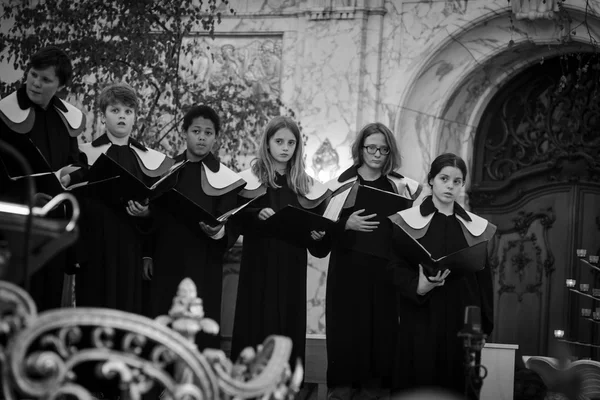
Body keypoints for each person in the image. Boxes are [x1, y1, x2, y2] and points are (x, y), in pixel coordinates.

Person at [320, 122, 422, 400]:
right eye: (371, 148)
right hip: (347, 275)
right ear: (360, 149)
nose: (377, 154)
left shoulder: (399, 188)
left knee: (380, 340)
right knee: (346, 339)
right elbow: (321, 235)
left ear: (390, 152)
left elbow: (406, 235)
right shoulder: (341, 184)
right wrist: (345, 223)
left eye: (383, 149)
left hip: (383, 276)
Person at [388, 153, 495, 397]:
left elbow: (484, 280)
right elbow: (394, 268)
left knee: (459, 386)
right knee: (420, 385)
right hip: (421, 319)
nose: (450, 185)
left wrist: (484, 328)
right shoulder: (407, 221)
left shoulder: (475, 227)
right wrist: (419, 285)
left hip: (463, 323)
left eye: (457, 181)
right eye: (444, 178)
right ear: (431, 180)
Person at [231, 116, 331, 371]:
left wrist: (318, 236)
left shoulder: (305, 187)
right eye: (279, 141)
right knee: (255, 324)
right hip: (258, 268)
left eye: (291, 142)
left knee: (287, 325)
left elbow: (316, 237)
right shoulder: (249, 181)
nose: (285, 148)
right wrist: (255, 215)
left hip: (291, 268)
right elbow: (234, 220)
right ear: (267, 143)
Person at [144, 105, 246, 351]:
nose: (202, 137)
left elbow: (232, 220)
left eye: (208, 133)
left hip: (204, 262)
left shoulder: (225, 178)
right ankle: (160, 383)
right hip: (166, 258)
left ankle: (197, 382)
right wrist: (146, 253)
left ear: (216, 138)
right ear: (184, 133)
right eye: (196, 131)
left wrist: (220, 231)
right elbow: (153, 216)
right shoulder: (164, 170)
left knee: (201, 325)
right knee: (163, 319)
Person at [0, 45, 87, 311]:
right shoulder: (5, 113)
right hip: (13, 227)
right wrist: (28, 196)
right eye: (34, 74)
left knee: (48, 304)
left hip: (52, 228)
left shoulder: (64, 119)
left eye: (46, 79)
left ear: (60, 86)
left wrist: (71, 177)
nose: (36, 83)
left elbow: (77, 161)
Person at [77, 82, 173, 314]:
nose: (122, 117)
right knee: (93, 306)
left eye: (128, 112)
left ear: (135, 118)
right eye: (115, 110)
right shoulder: (83, 153)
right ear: (103, 116)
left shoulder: (150, 161)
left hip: (132, 247)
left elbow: (160, 209)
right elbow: (77, 203)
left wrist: (147, 213)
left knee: (128, 309)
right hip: (94, 246)